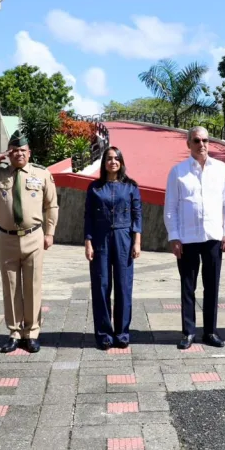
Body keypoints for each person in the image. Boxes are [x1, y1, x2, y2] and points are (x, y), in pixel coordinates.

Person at [0, 131, 58, 354]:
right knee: (11, 286)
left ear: (29, 153)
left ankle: (32, 332)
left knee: (33, 286)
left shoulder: (41, 173)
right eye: (14, 151)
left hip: (33, 236)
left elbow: (51, 205)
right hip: (6, 237)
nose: (18, 154)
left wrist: (50, 232)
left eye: (22, 151)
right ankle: (15, 332)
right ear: (9, 153)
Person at [164, 126, 225, 350]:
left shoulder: (221, 169)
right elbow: (171, 207)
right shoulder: (178, 171)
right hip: (187, 238)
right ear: (189, 144)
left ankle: (211, 332)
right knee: (188, 286)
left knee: (212, 286)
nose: (202, 144)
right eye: (196, 140)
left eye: (205, 140)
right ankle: (188, 332)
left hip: (213, 236)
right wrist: (174, 236)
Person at [83, 146, 142, 350]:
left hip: (124, 238)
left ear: (121, 162)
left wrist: (137, 241)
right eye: (109, 158)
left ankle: (122, 333)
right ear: (104, 163)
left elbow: (137, 215)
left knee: (124, 286)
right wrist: (88, 242)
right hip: (100, 239)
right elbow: (88, 217)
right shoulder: (95, 188)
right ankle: (104, 334)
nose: (113, 162)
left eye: (117, 158)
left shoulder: (131, 186)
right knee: (101, 285)